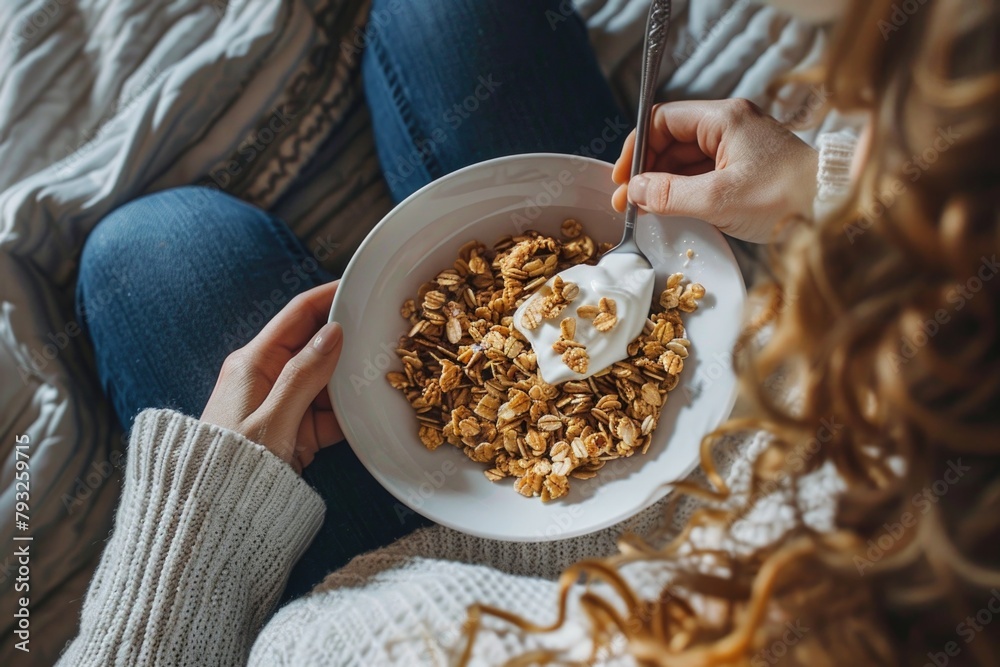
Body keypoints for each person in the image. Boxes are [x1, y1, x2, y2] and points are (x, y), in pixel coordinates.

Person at [61, 0, 1000, 666]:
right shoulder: (939, 515)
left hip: (362, 567)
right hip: (710, 467)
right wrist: (819, 191)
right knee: (449, 18)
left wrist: (194, 530)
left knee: (145, 255)